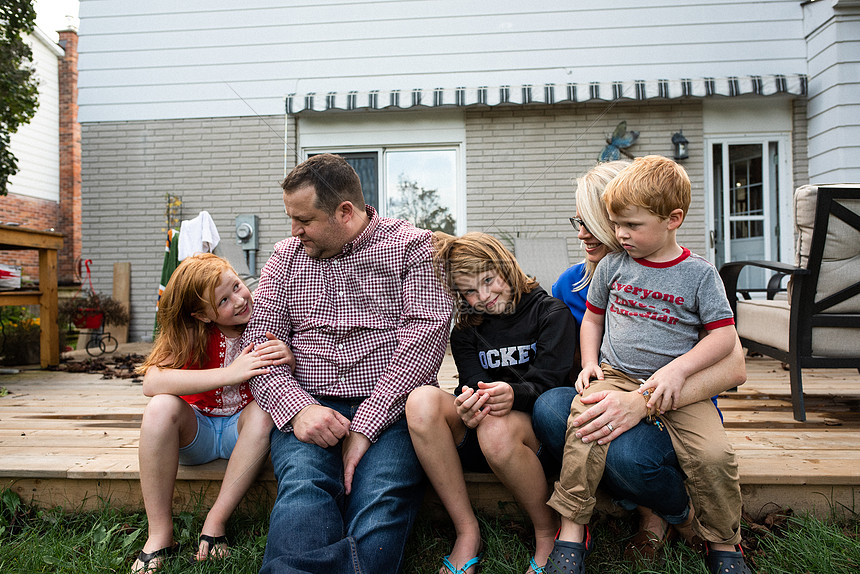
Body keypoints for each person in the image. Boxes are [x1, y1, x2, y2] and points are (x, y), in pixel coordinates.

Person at [242, 153, 453, 574]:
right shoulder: (285, 258)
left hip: (391, 408)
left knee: (380, 496)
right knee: (305, 489)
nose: (293, 230)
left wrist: (365, 427)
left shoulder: (413, 248)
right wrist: (298, 408)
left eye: (304, 219)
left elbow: (425, 337)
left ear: (345, 212)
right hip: (309, 401)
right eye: (291, 218)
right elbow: (257, 346)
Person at [545, 156, 751, 574]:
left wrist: (670, 378)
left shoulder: (698, 274)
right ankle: (572, 529)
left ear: (671, 220)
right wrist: (589, 363)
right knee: (571, 417)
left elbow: (728, 348)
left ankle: (723, 543)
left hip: (680, 391)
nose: (613, 233)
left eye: (626, 224)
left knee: (714, 455)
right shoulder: (603, 271)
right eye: (581, 221)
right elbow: (593, 318)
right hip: (616, 377)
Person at [407, 232, 577, 574]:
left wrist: (514, 393)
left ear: (506, 267)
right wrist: (467, 404)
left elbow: (551, 383)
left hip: (531, 441)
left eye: (489, 280)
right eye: (469, 291)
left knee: (496, 428)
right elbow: (469, 383)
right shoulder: (467, 329)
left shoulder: (549, 312)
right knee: (421, 400)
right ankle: (467, 531)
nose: (483, 297)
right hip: (479, 431)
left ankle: (546, 531)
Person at [131, 253, 290, 573]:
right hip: (198, 431)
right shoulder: (191, 333)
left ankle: (215, 521)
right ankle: (159, 534)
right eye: (224, 300)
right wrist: (231, 373)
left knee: (263, 411)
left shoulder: (266, 318)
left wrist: (290, 356)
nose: (240, 299)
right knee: (160, 407)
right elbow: (152, 381)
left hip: (244, 435)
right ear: (203, 315)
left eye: (237, 285)